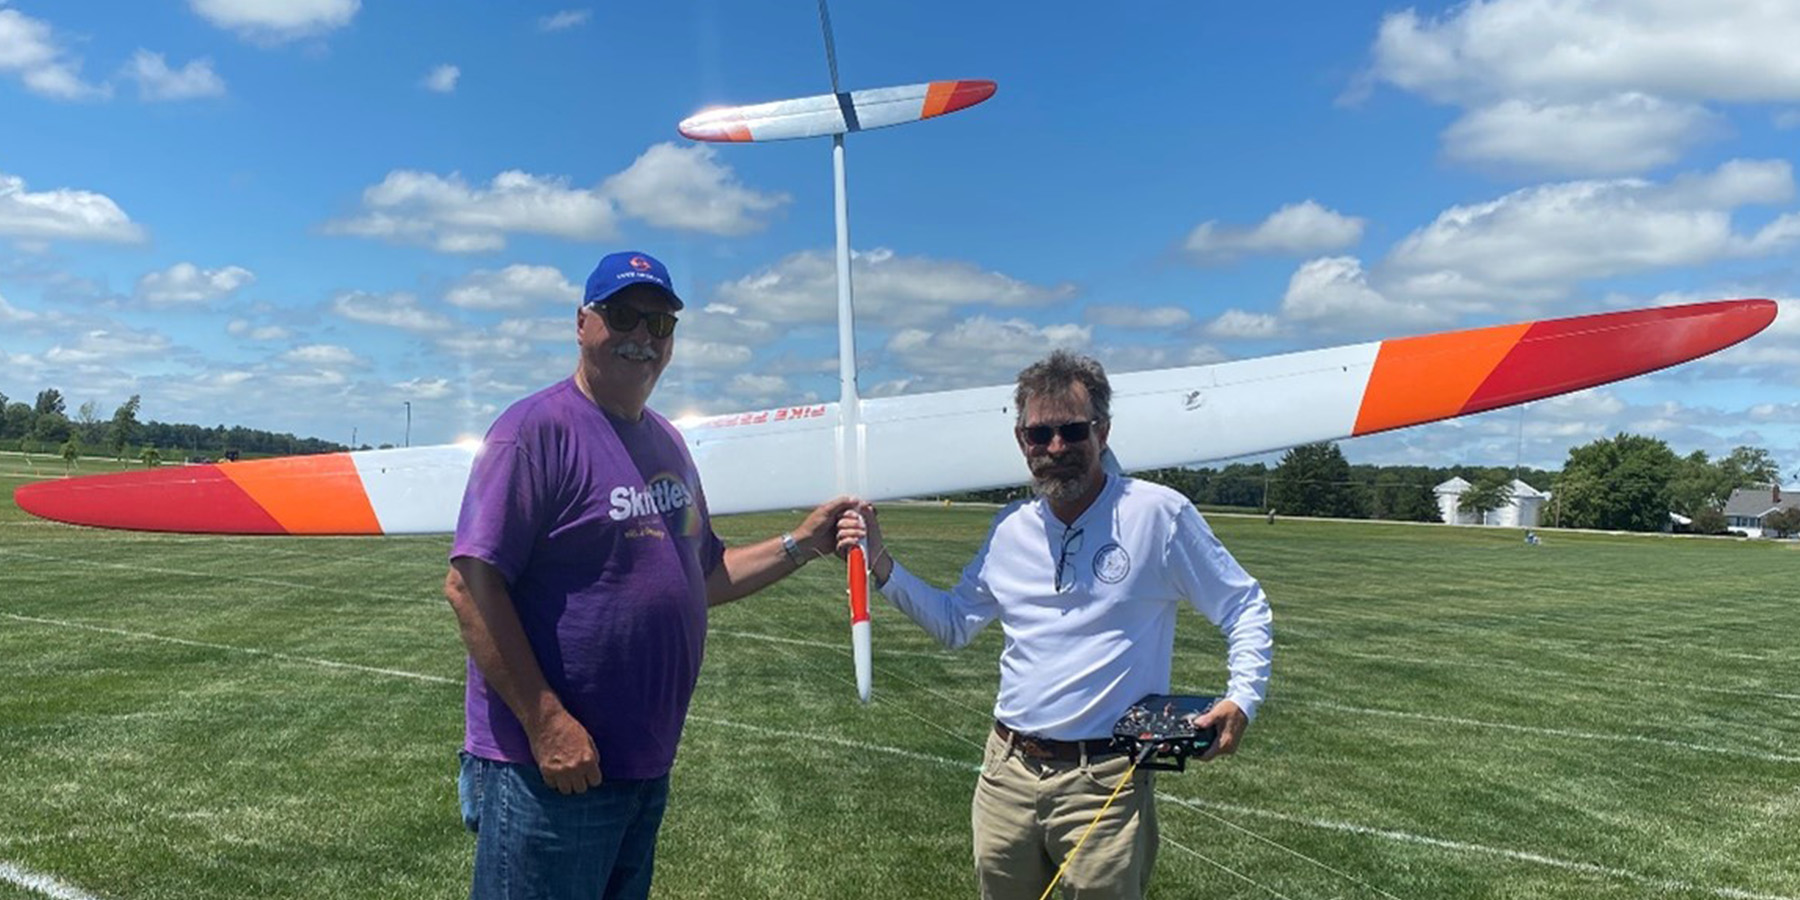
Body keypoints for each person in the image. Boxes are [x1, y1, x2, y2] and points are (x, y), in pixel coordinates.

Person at [444, 249, 853, 900]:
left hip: (640, 765)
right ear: (583, 323)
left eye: (660, 325)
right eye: (624, 316)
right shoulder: (533, 431)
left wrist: (801, 543)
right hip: (549, 770)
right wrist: (547, 722)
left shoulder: (667, 441)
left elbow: (704, 573)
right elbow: (470, 585)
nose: (642, 338)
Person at [837, 350, 1273, 900]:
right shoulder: (1009, 528)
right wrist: (879, 561)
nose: (1056, 448)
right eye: (1040, 435)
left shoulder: (1157, 514)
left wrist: (1243, 697)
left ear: (1104, 431)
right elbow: (954, 623)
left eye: (1072, 430)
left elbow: (1244, 606)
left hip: (1106, 780)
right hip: (1005, 773)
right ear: (1021, 441)